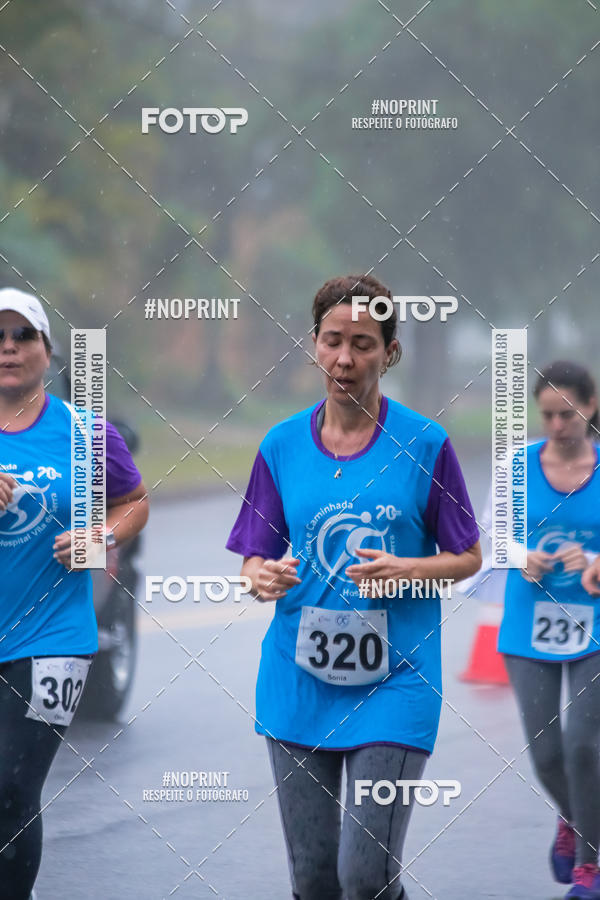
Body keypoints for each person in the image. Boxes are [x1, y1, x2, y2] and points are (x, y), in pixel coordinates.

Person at [226, 274, 481, 900]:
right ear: (313, 344)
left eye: (363, 344)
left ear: (389, 353)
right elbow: (253, 558)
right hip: (297, 680)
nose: (345, 358)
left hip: (396, 680)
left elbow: (468, 555)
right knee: (314, 881)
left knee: (363, 877)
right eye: (333, 340)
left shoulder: (425, 444)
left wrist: (409, 570)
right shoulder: (281, 444)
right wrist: (260, 577)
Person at [0, 287, 149, 900]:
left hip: (52, 636)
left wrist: (101, 534)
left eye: (22, 336)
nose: (8, 348)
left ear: (48, 350)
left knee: (11, 787)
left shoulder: (85, 433)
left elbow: (133, 502)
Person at [497, 360, 600, 899]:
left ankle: (590, 864)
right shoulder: (517, 468)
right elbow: (493, 540)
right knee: (547, 755)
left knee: (584, 744)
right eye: (547, 416)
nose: (557, 426)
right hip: (528, 626)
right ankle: (576, 817)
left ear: (591, 406)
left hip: (594, 624)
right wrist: (521, 555)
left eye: (568, 414)